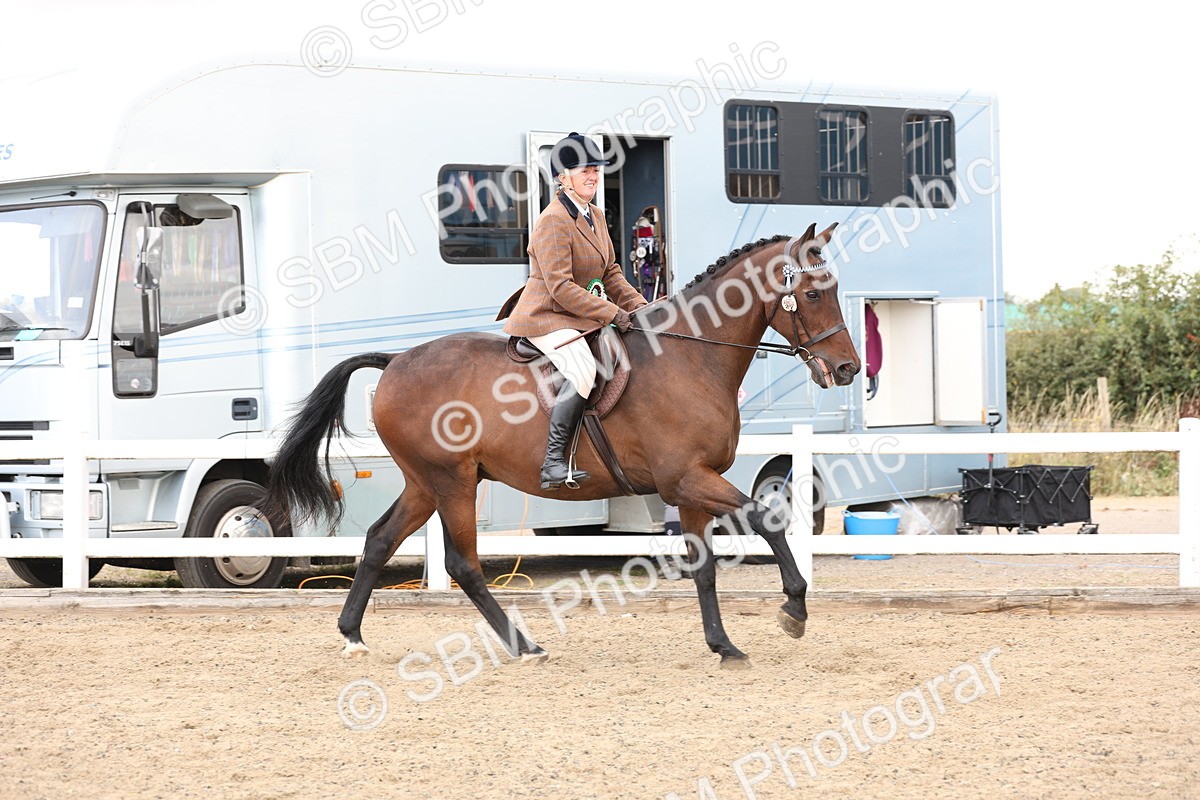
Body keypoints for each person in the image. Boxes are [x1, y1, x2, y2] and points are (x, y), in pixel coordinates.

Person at [502, 132, 648, 489]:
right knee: (583, 370)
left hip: (578, 315)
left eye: (596, 170)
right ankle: (553, 461)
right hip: (547, 315)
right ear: (561, 177)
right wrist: (612, 313)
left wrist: (641, 308)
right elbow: (561, 287)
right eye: (584, 170)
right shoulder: (552, 220)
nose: (593, 176)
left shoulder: (595, 215)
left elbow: (611, 272)